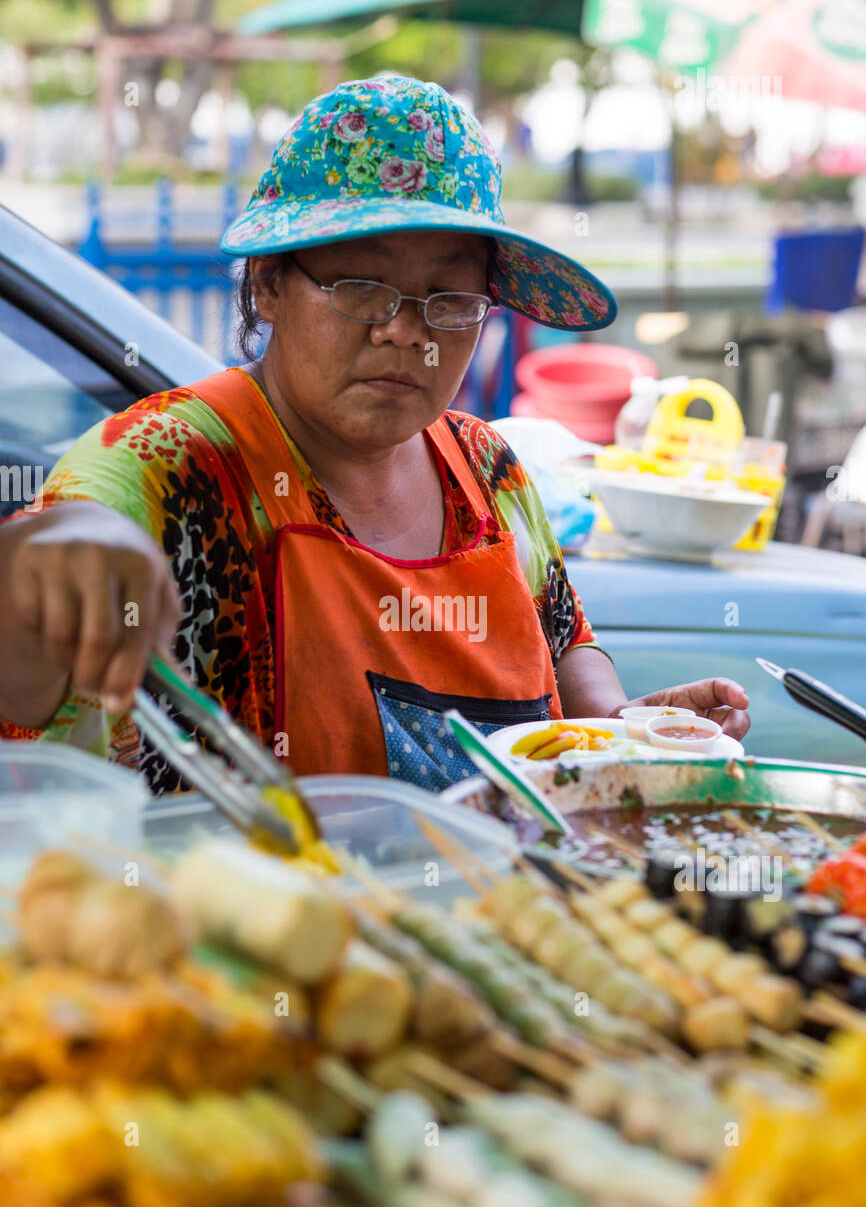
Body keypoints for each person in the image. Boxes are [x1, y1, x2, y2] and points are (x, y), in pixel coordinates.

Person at [0, 75, 749, 794]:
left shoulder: (486, 469)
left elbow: (562, 640)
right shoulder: (165, 461)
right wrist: (47, 563)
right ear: (267, 281)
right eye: (362, 285)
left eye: (449, 298)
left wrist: (624, 729)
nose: (406, 332)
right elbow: (35, 617)